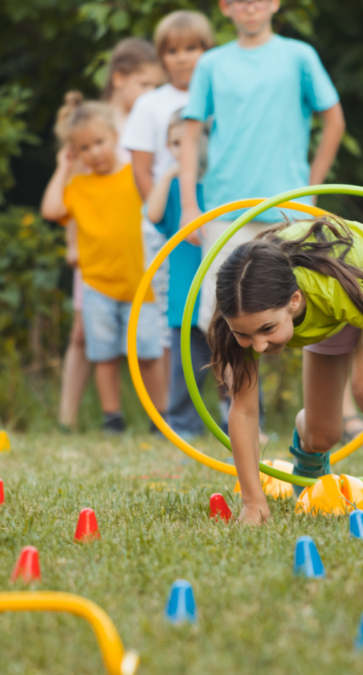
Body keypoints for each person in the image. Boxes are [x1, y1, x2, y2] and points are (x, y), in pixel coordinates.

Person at [208, 216, 363, 525]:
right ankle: (307, 451)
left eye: (267, 329)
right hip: (327, 313)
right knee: (323, 435)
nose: (259, 347)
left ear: (294, 301)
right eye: (245, 335)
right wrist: (253, 502)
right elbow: (245, 411)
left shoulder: (331, 288)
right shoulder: (241, 313)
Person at [177, 0, 346, 334]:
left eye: (258, 0)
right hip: (225, 210)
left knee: (311, 314)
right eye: (240, 1)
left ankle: (320, 388)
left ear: (274, 3)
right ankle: (240, 389)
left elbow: (334, 121)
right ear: (225, 7)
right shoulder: (211, 63)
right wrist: (187, 206)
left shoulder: (299, 56)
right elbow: (190, 135)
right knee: (224, 320)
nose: (250, 8)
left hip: (290, 211)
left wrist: (311, 189)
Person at [41, 93, 163, 434]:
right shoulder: (77, 186)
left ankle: (162, 419)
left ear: (115, 138)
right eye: (83, 148)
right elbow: (51, 211)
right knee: (104, 356)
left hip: (142, 285)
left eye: (99, 142)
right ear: (74, 152)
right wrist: (64, 167)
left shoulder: (133, 176)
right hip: (97, 286)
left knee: (149, 356)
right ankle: (113, 419)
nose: (93, 152)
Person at [146, 110, 269, 441]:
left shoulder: (222, 188)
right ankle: (183, 423)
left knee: (238, 361)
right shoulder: (176, 189)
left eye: (190, 142)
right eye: (174, 144)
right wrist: (171, 174)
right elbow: (153, 214)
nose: (182, 149)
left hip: (223, 299)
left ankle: (247, 424)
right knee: (186, 369)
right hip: (184, 295)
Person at [122, 14, 214, 421]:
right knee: (172, 320)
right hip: (167, 223)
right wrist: (165, 220)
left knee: (217, 310)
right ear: (161, 58)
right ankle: (174, 414)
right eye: (172, 51)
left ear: (207, 51)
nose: (182, 59)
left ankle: (232, 409)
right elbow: (141, 169)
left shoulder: (218, 96)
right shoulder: (150, 103)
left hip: (214, 216)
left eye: (191, 49)